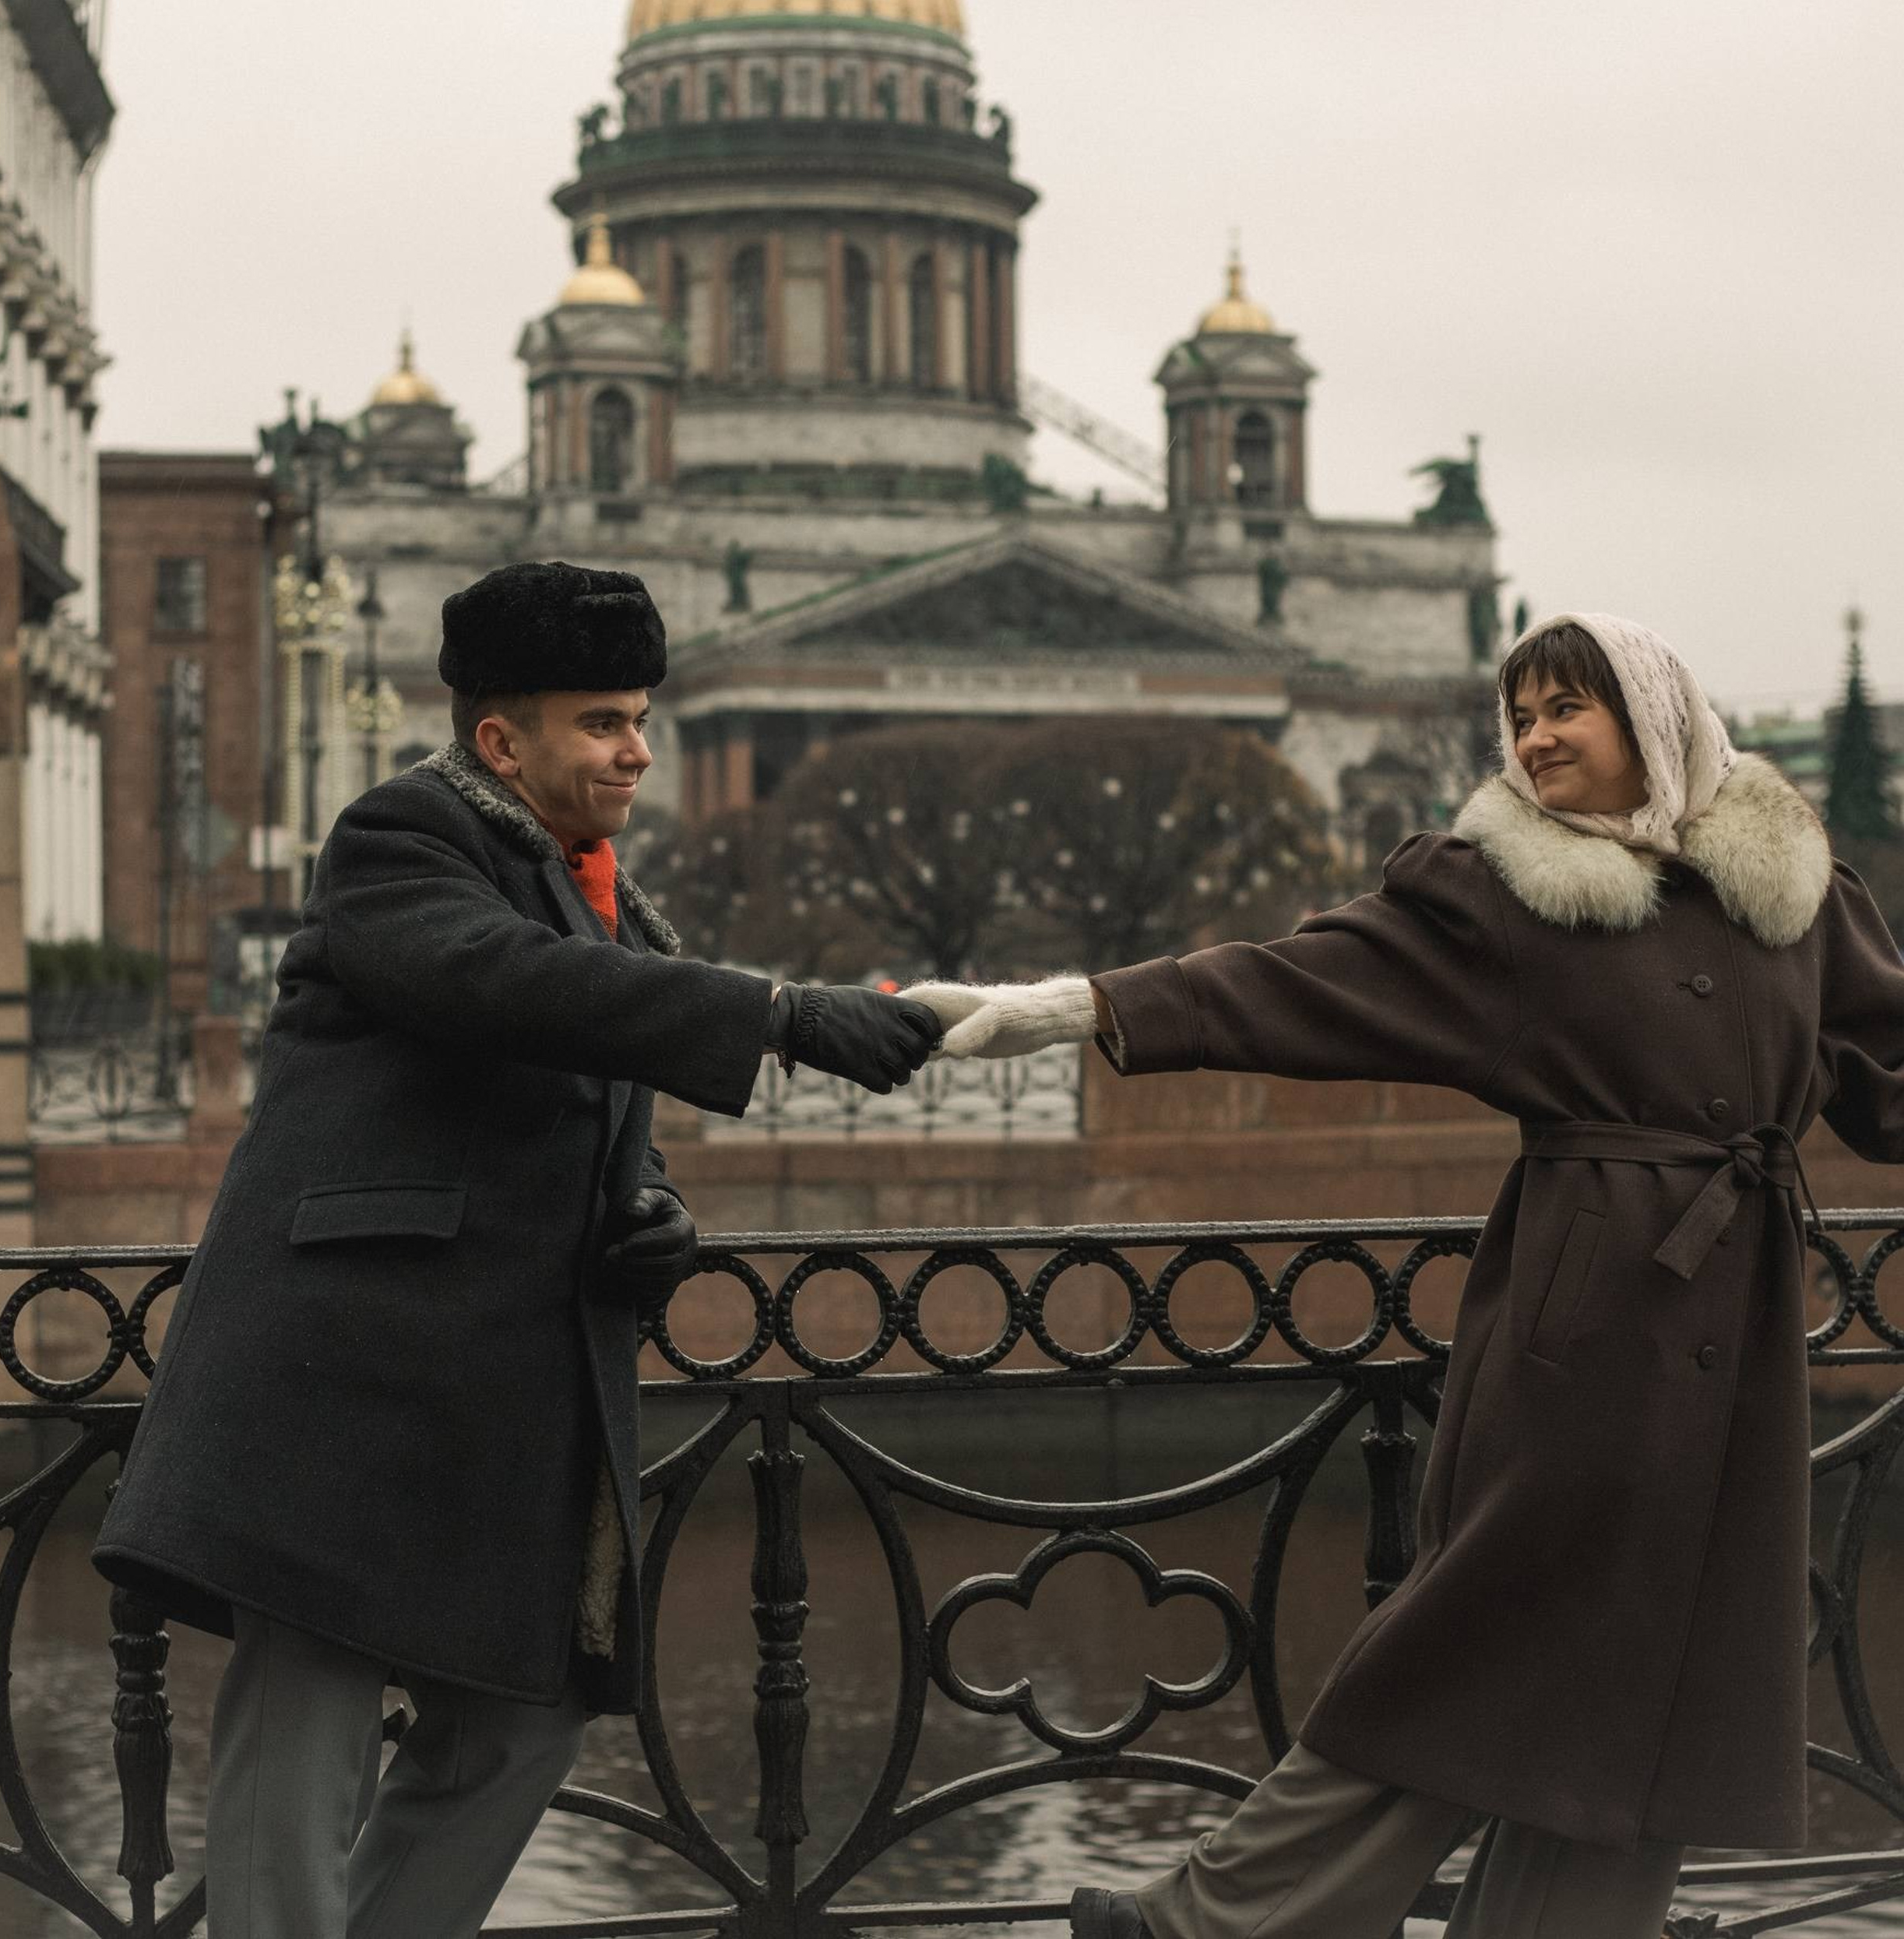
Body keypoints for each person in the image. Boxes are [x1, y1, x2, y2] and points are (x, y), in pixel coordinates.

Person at [912, 611, 1904, 1939]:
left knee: (1664, 1664)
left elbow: (1890, 1077)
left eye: (1570, 709)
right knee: (1479, 1634)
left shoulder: (1798, 895)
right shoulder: (1500, 894)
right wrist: (1079, 1006)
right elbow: (1296, 983)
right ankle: (1214, 1920)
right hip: (1585, 1316)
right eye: (1525, 713)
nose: (1538, 736)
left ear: (1654, 722)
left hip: (1746, 1325)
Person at [93, 561, 940, 1939]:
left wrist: (646, 1201)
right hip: (342, 1376)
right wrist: (776, 1012)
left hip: (489, 1393)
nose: (639, 750)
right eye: (605, 721)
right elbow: (507, 987)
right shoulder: (401, 835)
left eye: (643, 716)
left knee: (523, 1720)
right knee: (299, 1746)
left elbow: (571, 1069)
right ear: (502, 740)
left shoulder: (589, 885)